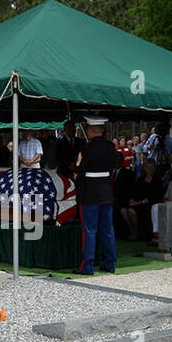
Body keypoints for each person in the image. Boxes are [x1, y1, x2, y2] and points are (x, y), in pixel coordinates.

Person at [73, 116, 119, 274]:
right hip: (106, 192)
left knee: (90, 231)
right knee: (108, 230)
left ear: (90, 131)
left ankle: (87, 266)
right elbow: (113, 166)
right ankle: (110, 264)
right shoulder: (110, 147)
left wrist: (78, 182)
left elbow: (78, 173)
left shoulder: (86, 149)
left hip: (89, 194)